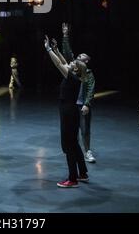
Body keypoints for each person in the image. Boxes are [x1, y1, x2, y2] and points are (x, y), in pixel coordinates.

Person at [44, 35, 89, 188]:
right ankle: (82, 173)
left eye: (73, 63)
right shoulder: (75, 75)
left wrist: (49, 49)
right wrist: (56, 49)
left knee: (68, 145)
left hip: (68, 112)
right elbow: (63, 62)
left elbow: (58, 64)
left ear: (75, 69)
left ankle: (72, 179)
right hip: (71, 111)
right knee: (74, 143)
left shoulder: (72, 77)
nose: (70, 62)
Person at [59, 23, 96, 163]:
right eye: (78, 56)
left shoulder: (88, 74)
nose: (78, 57)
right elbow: (67, 54)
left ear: (86, 61)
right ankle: (75, 150)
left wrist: (87, 104)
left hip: (82, 106)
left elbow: (91, 89)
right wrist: (65, 35)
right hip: (72, 105)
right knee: (72, 130)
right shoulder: (74, 70)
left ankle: (88, 152)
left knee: (85, 129)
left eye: (81, 56)